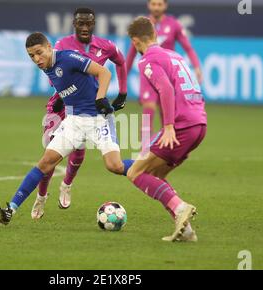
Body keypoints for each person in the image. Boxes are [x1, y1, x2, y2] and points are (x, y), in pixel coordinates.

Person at [0, 32, 133, 225]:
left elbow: (104, 73)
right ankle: (11, 209)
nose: (36, 59)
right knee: (45, 163)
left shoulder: (68, 57)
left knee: (114, 166)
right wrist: (61, 99)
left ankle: (148, 166)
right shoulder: (46, 67)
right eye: (31, 56)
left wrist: (101, 99)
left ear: (49, 47)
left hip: (98, 118)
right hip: (74, 121)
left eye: (39, 53)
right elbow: (72, 85)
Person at [32, 7, 128, 219]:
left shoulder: (106, 46)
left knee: (79, 152)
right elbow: (54, 76)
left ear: (94, 24)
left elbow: (120, 63)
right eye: (80, 23)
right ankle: (41, 196)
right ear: (74, 24)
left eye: (89, 23)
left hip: (88, 106)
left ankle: (66, 184)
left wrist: (122, 92)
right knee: (49, 156)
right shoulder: (62, 45)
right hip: (62, 103)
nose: (85, 27)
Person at [126, 16, 207, 242]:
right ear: (155, 35)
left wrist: (169, 126)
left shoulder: (147, 60)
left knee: (136, 172)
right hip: (199, 123)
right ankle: (186, 231)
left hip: (181, 125)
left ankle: (180, 207)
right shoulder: (174, 55)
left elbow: (167, 90)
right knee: (156, 175)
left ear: (135, 42)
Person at [126, 0, 202, 150]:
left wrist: (197, 66)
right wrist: (123, 77)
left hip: (167, 74)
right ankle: (145, 149)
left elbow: (188, 47)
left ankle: (167, 144)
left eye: (159, 4)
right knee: (148, 108)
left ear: (165, 6)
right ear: (149, 5)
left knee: (166, 111)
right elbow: (131, 54)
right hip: (149, 72)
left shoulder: (174, 24)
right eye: (153, 4)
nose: (156, 7)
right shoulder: (143, 26)